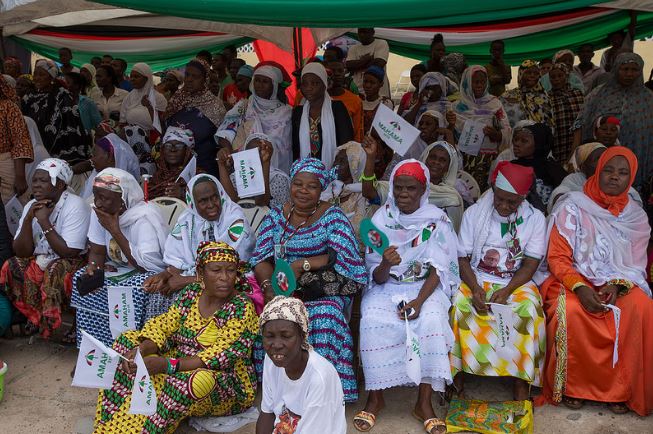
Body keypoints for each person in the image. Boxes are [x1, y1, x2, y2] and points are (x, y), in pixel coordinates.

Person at [93, 241, 258, 433]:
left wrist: (166, 365)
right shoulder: (192, 293)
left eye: (230, 270)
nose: (225, 278)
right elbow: (165, 324)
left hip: (224, 381)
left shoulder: (241, 308)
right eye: (216, 270)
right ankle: (108, 423)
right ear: (200, 273)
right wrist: (142, 349)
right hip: (177, 360)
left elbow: (218, 357)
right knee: (126, 343)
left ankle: (150, 429)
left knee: (192, 381)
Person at [540, 146, 653, 416]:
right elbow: (557, 257)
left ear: (631, 178)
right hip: (573, 280)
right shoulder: (572, 206)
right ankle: (573, 387)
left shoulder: (635, 216)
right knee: (572, 312)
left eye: (623, 172)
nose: (615, 177)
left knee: (640, 308)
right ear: (597, 171)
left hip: (619, 282)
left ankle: (622, 390)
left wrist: (617, 285)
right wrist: (580, 287)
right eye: (609, 170)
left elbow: (636, 264)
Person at [354, 160, 459, 434]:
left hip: (424, 289)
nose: (403, 194)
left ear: (423, 189)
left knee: (432, 322)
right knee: (371, 319)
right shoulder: (381, 220)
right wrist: (386, 264)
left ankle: (423, 403)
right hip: (387, 286)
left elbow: (440, 270)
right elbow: (375, 277)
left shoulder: (437, 221)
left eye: (410, 188)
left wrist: (419, 303)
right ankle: (375, 397)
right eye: (398, 188)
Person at [250, 158, 367, 402]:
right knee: (270, 316)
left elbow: (344, 256)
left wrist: (301, 265)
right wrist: (268, 287)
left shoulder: (332, 217)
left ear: (321, 189)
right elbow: (260, 258)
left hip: (319, 291)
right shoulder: (274, 217)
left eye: (311, 186)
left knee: (324, 316)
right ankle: (282, 392)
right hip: (280, 288)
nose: (303, 191)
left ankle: (323, 394)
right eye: (298, 184)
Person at [451, 161, 546, 402]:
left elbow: (530, 264)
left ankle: (520, 381)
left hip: (515, 282)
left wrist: (506, 290)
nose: (503, 206)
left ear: (523, 198)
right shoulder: (475, 214)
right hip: (477, 277)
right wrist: (474, 288)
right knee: (459, 306)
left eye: (511, 202)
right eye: (499, 199)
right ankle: (457, 377)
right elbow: (462, 258)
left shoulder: (535, 219)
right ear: (493, 191)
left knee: (527, 309)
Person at [70, 168, 168, 347]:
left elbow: (150, 267)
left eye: (104, 198)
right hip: (119, 269)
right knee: (83, 277)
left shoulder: (143, 218)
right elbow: (97, 252)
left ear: (123, 200)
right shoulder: (99, 212)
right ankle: (94, 351)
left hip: (144, 272)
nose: (98, 203)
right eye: (95, 196)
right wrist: (94, 266)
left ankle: (128, 349)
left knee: (136, 287)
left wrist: (114, 230)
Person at [0, 159, 89, 340]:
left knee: (55, 270)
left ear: (60, 184)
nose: (37, 185)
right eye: (35, 180)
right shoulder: (31, 205)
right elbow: (21, 251)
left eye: (43, 181)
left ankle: (60, 322)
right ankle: (36, 317)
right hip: (42, 259)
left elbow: (69, 252)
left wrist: (44, 221)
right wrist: (27, 220)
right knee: (11, 266)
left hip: (73, 261)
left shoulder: (75, 205)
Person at [144, 173, 253, 316]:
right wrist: (165, 274)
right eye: (203, 201)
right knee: (159, 293)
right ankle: (158, 336)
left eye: (214, 197)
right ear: (193, 203)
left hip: (231, 281)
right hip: (197, 276)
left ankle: (189, 337)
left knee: (184, 297)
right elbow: (178, 257)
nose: (211, 204)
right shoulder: (187, 219)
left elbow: (232, 270)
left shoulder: (234, 219)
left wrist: (185, 281)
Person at [257, 296, 346, 434]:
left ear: (302, 336)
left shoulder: (319, 378)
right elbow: (267, 413)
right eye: (269, 336)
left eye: (286, 336)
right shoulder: (271, 361)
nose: (277, 345)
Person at [574, 53, 653, 193]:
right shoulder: (599, 93)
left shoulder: (648, 98)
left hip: (637, 154)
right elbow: (580, 122)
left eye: (634, 70)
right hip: (601, 156)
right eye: (625, 69)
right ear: (616, 69)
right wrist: (575, 153)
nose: (629, 74)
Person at [362, 137, 463, 231]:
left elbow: (450, 233)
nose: (435, 162)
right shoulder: (403, 185)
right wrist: (370, 157)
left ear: (448, 168)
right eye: (432, 157)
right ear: (425, 158)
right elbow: (369, 192)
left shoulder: (451, 198)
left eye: (442, 160)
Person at [216, 62, 292, 173]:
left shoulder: (286, 112)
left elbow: (285, 146)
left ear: (274, 85)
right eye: (257, 80)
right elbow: (225, 132)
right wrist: (228, 151)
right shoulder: (244, 106)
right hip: (244, 169)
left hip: (276, 170)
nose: (260, 85)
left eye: (265, 82)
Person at [165, 58, 226, 176]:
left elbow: (222, 139)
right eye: (187, 75)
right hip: (175, 168)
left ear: (205, 79)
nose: (189, 80)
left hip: (204, 167)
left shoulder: (215, 106)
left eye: (195, 76)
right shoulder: (176, 100)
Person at [22, 59, 89, 167]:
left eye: (41, 75)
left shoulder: (62, 96)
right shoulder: (29, 97)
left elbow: (71, 123)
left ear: (51, 77)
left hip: (58, 147)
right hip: (32, 147)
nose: (37, 78)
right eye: (35, 74)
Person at [453, 65, 511, 191]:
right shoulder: (457, 107)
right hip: (465, 158)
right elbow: (452, 131)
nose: (480, 85)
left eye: (483, 82)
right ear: (467, 83)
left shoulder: (495, 103)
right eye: (475, 82)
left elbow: (507, 128)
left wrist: (498, 134)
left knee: (487, 192)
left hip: (489, 159)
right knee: (466, 191)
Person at [291, 63, 354, 168]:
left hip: (333, 169)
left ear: (324, 84)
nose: (309, 88)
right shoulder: (298, 112)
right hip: (305, 172)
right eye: (304, 84)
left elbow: (346, 143)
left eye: (314, 83)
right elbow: (295, 147)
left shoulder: (337, 108)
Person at [549, 143, 642, 213]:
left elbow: (633, 201)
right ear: (583, 167)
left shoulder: (616, 181)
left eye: (605, 158)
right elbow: (559, 195)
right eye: (597, 158)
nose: (603, 162)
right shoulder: (574, 179)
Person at [218, 133, 290, 209]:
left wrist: (265, 164)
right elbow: (232, 203)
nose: (255, 157)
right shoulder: (236, 177)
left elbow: (262, 203)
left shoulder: (279, 178)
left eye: (260, 152)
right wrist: (221, 164)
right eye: (251, 153)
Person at [511, 123, 567, 212]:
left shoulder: (552, 169)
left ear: (539, 144)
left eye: (524, 141)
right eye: (516, 139)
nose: (517, 144)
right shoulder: (511, 167)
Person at [321, 141, 368, 238]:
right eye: (336, 160)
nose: (336, 164)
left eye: (342, 161)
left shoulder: (364, 194)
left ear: (355, 166)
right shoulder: (328, 190)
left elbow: (361, 230)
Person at [0, 74, 32, 203]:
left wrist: (20, 176)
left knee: (9, 208)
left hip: (4, 162)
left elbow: (20, 141)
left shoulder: (9, 107)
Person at [80, 133, 140, 200]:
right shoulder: (95, 176)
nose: (92, 160)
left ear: (110, 156)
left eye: (95, 155)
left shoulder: (126, 187)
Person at [501, 60, 555, 129]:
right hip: (515, 137)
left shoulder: (544, 97)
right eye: (528, 72)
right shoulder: (508, 95)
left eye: (536, 73)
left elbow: (550, 122)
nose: (532, 75)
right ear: (521, 74)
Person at [548, 64, 584, 163]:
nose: (556, 79)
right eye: (553, 77)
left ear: (567, 76)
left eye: (560, 75)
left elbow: (583, 118)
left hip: (577, 140)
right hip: (557, 143)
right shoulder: (547, 98)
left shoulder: (578, 94)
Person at [119, 62, 167, 135]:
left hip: (153, 139)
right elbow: (122, 122)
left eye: (136, 77)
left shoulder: (158, 98)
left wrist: (149, 107)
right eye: (131, 76)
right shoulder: (129, 97)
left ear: (146, 78)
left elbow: (162, 124)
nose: (132, 79)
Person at [148, 126, 195, 200]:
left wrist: (183, 194)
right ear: (162, 150)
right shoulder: (157, 177)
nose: (173, 149)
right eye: (168, 145)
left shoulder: (196, 175)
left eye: (179, 146)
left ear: (187, 151)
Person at [345, 28, 390, 98]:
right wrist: (367, 59)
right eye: (360, 32)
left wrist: (357, 64)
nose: (362, 35)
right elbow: (349, 66)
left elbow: (379, 64)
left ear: (373, 32)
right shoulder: (353, 48)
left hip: (379, 92)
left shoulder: (381, 43)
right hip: (358, 91)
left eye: (365, 32)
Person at [327, 59, 364, 143]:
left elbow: (358, 133)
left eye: (340, 71)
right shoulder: (317, 98)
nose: (336, 74)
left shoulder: (355, 100)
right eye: (332, 71)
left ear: (344, 73)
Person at [361, 66, 394, 134]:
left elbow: (385, 128)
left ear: (381, 84)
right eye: (365, 81)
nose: (368, 85)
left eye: (372, 83)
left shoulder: (385, 103)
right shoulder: (358, 100)